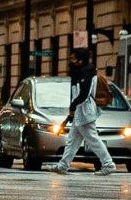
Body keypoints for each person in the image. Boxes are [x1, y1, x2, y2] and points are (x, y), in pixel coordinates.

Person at [49, 46, 116, 175]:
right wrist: (73, 110)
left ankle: (108, 164)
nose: (71, 61)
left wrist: (73, 106)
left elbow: (84, 93)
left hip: (85, 111)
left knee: (92, 139)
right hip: (80, 111)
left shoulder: (86, 72)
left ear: (80, 60)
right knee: (73, 141)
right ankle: (63, 165)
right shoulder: (80, 72)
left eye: (73, 58)